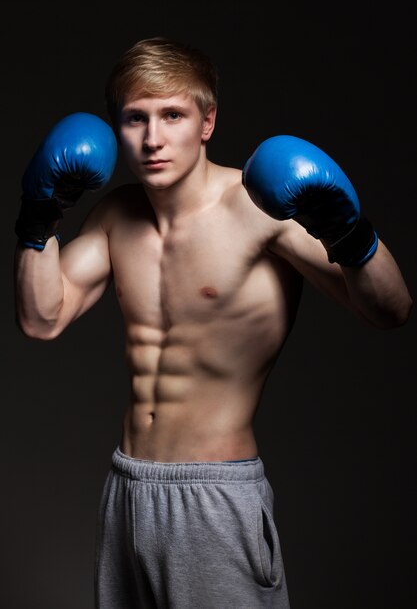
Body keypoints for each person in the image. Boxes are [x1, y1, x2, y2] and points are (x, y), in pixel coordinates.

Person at [14, 36, 412, 609]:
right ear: (116, 127)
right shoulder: (114, 215)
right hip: (126, 487)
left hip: (214, 495)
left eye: (172, 115)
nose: (152, 139)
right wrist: (37, 219)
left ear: (207, 121)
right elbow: (41, 318)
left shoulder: (259, 210)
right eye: (135, 118)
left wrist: (349, 233)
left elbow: (390, 310)